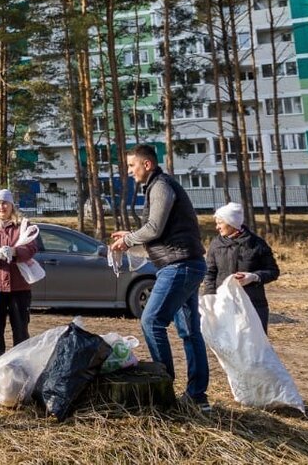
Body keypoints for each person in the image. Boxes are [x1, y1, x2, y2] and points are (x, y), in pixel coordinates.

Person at [111, 143, 210, 413]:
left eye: (132, 166)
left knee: (152, 320)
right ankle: (197, 397)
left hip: (178, 265)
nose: (129, 171)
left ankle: (163, 387)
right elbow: (159, 227)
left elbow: (154, 228)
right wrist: (130, 234)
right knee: (189, 332)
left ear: (147, 164)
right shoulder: (157, 186)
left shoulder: (161, 186)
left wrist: (129, 240)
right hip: (184, 263)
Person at [202, 202, 280, 333]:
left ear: (231, 223)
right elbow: (210, 274)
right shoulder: (216, 244)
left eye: (220, 223)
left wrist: (254, 277)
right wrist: (209, 299)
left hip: (253, 305)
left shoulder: (256, 243)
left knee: (254, 348)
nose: (217, 227)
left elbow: (273, 271)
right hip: (224, 304)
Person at [0, 189, 37, 361]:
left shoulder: (23, 225)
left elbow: (31, 248)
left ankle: (21, 364)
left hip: (19, 286)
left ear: (12, 205)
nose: (1, 207)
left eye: (5, 203)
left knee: (21, 330)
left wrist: (14, 251)